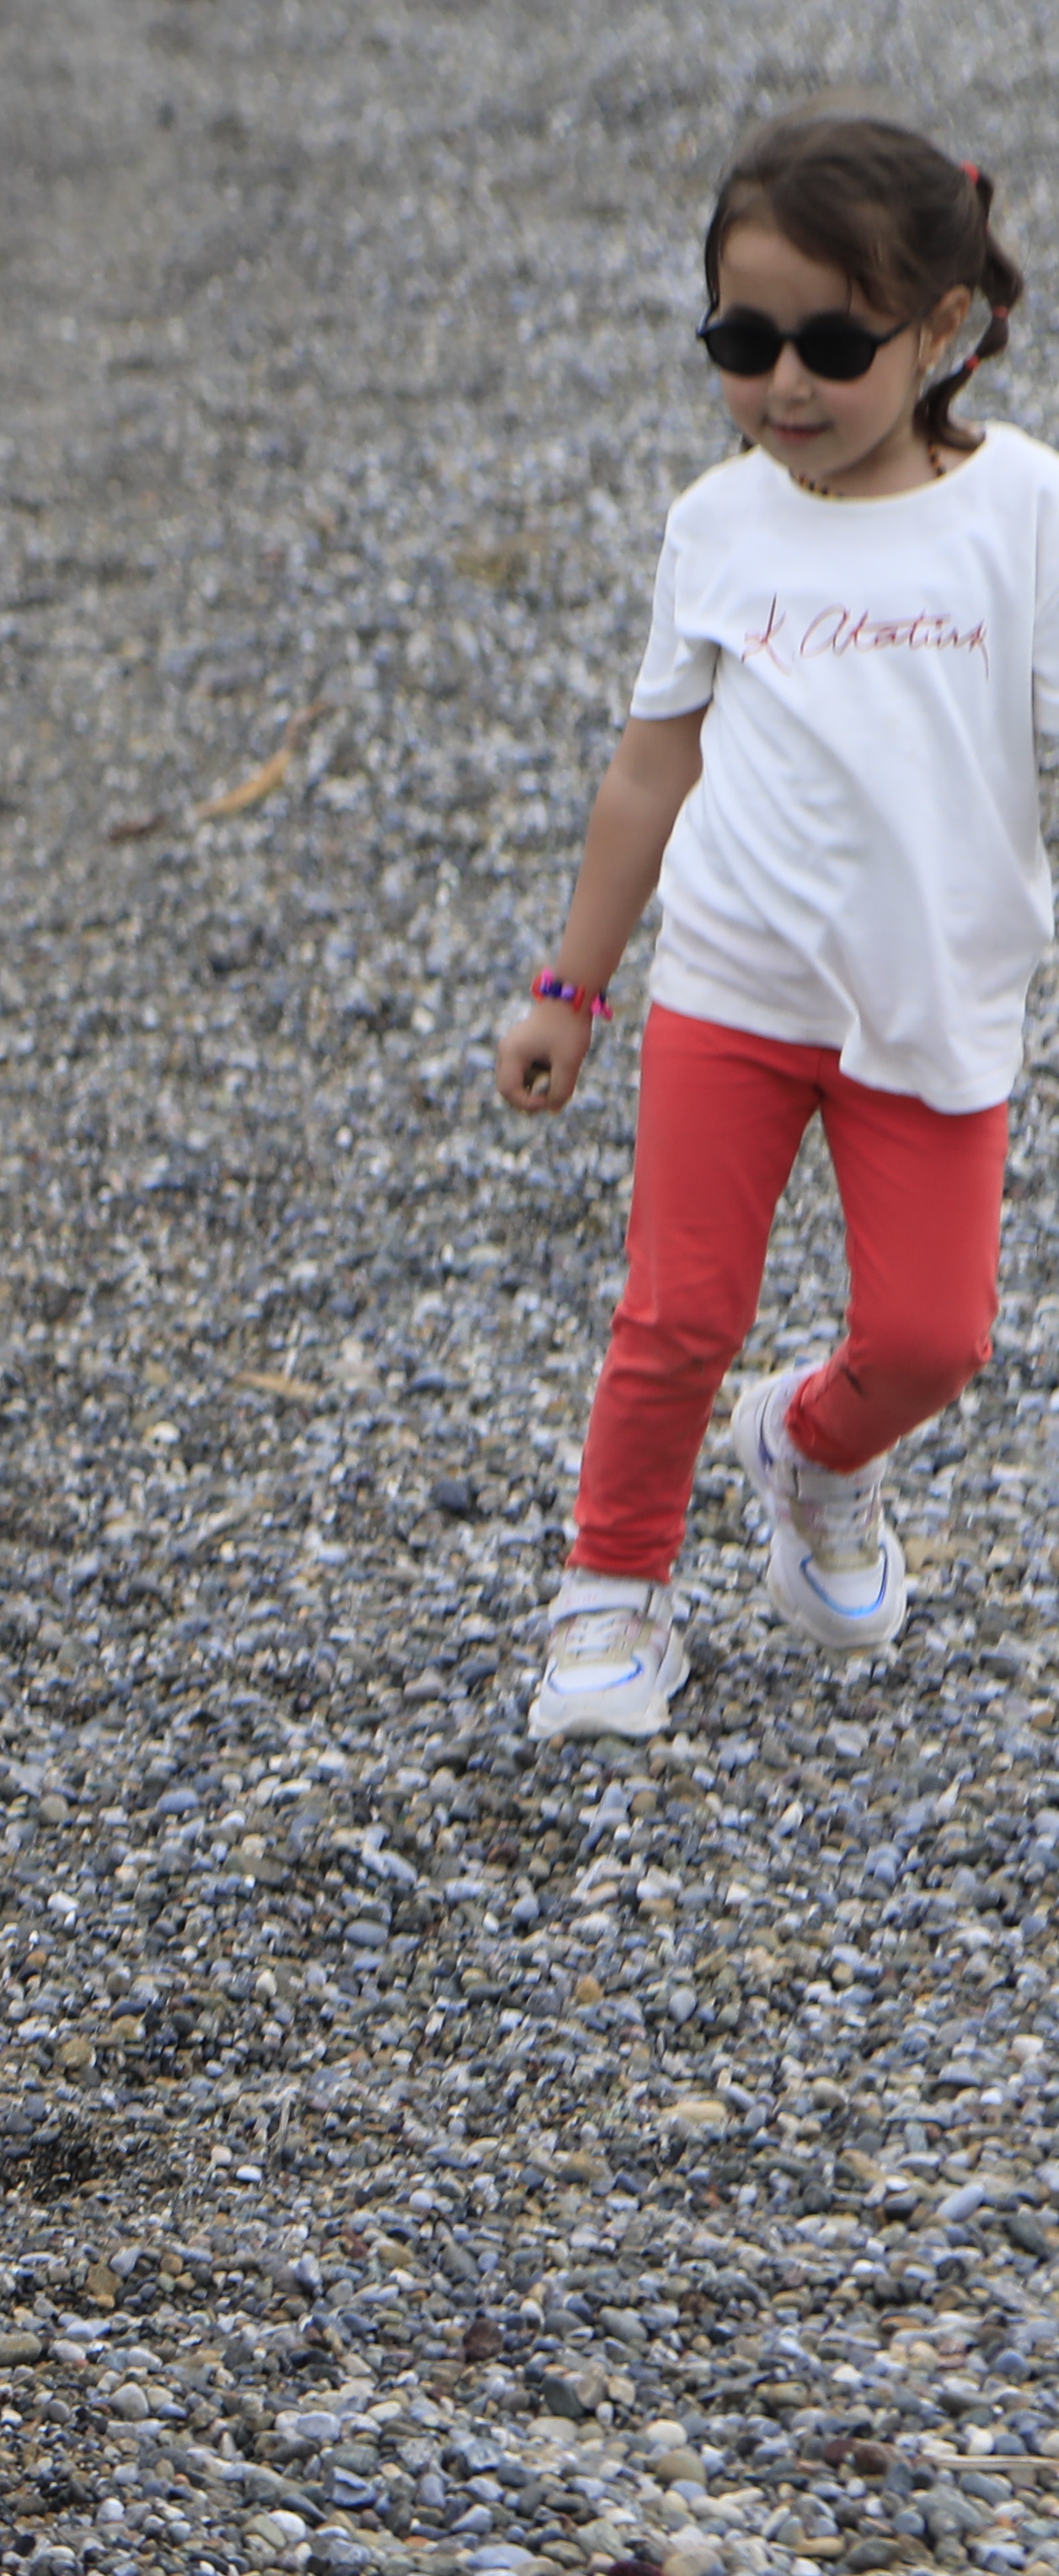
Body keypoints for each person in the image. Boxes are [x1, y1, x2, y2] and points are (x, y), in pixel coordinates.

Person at [496, 117, 1046, 1743]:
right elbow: (650, 766)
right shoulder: (720, 524)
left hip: (938, 996)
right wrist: (568, 986)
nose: (785, 382)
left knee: (934, 1339)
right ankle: (610, 1599)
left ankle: (807, 1452)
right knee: (674, 1314)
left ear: (941, 331)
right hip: (735, 983)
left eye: (831, 341)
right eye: (744, 341)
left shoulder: (1022, 511)